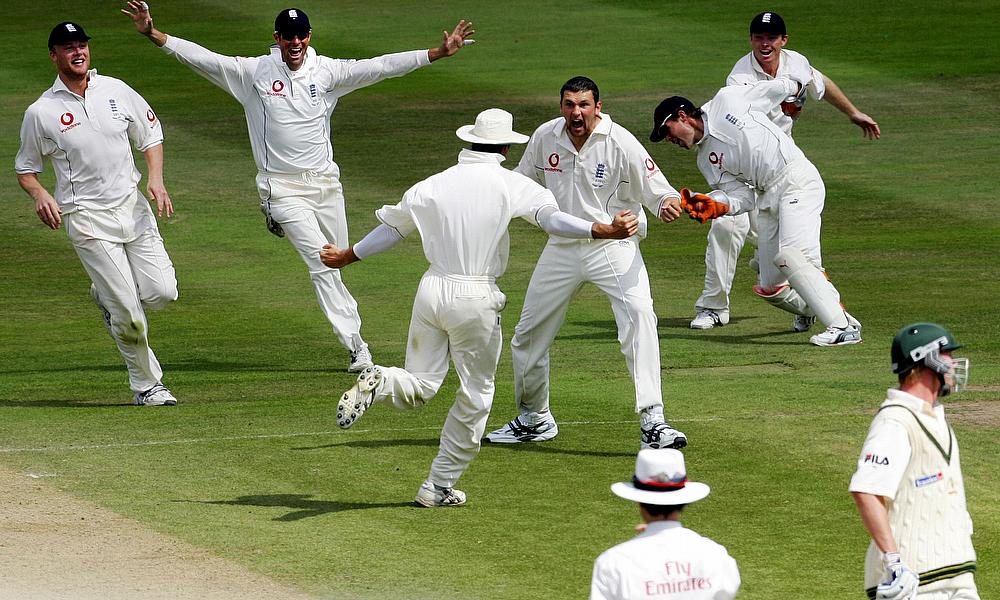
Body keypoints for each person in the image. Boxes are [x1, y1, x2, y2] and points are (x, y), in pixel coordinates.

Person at [122, 2, 475, 372]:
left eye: (300, 35)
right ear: (277, 38)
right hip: (281, 187)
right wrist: (153, 34)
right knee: (323, 262)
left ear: (309, 37)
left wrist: (436, 53)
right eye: (288, 36)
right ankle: (357, 346)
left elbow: (381, 66)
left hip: (325, 184)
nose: (295, 42)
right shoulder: (254, 72)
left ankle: (279, 220)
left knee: (338, 258)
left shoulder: (328, 71)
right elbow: (203, 58)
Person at [319, 108, 638, 507]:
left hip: (431, 290)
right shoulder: (510, 183)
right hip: (474, 296)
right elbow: (552, 220)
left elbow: (393, 229)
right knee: (477, 394)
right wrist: (600, 229)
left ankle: (381, 381)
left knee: (421, 383)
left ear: (470, 140)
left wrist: (348, 255)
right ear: (505, 147)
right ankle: (437, 485)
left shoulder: (432, 184)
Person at [485, 76, 688, 450]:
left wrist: (666, 205)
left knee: (640, 316)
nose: (576, 113)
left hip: (613, 245)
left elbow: (657, 188)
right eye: (569, 104)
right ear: (561, 106)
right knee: (528, 333)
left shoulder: (619, 141)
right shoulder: (546, 137)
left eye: (583, 105)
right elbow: (519, 185)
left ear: (598, 107)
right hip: (563, 247)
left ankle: (653, 422)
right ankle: (534, 418)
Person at [15, 21, 179, 406]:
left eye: (82, 45)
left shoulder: (115, 90)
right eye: (68, 47)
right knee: (131, 316)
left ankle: (105, 296)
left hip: (133, 209)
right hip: (87, 217)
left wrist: (155, 179)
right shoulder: (41, 112)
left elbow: (151, 135)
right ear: (54, 55)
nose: (78, 52)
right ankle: (147, 386)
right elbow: (26, 168)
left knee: (162, 293)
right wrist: (40, 193)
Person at [690, 10, 880, 332]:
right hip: (748, 172)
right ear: (750, 40)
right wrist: (788, 98)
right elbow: (748, 122)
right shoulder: (739, 79)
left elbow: (820, 83)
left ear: (783, 40)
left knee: (795, 255)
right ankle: (713, 307)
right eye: (759, 38)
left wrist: (852, 112)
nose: (765, 44)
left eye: (772, 38)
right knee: (727, 228)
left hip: (783, 167)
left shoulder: (796, 62)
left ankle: (823, 311)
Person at [649, 80, 862, 347]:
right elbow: (742, 198)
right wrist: (714, 205)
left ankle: (843, 326)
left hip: (795, 179)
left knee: (793, 256)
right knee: (771, 286)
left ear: (682, 116)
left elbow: (779, 87)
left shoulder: (727, 100)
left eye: (667, 131)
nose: (669, 140)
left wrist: (795, 94)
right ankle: (815, 307)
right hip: (766, 196)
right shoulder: (706, 161)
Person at [849, 323, 979, 599]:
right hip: (916, 585)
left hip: (957, 577)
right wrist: (894, 563)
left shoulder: (933, 416)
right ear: (926, 359)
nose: (953, 363)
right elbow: (866, 490)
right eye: (947, 354)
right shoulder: (895, 421)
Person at [590, 448, 740, 600]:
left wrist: (652, 536)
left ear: (639, 502)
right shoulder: (716, 555)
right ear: (683, 501)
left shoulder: (613, 563)